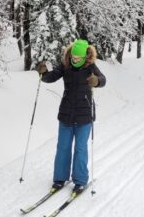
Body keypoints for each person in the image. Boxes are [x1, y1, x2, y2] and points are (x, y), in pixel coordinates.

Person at [36, 39, 106, 194]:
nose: (75, 59)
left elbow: (103, 80)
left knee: (81, 149)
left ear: (84, 57)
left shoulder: (91, 67)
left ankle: (80, 181)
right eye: (73, 56)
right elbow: (51, 77)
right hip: (66, 113)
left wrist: (96, 81)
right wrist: (43, 73)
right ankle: (60, 178)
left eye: (78, 58)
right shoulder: (65, 66)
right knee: (63, 147)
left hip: (84, 115)